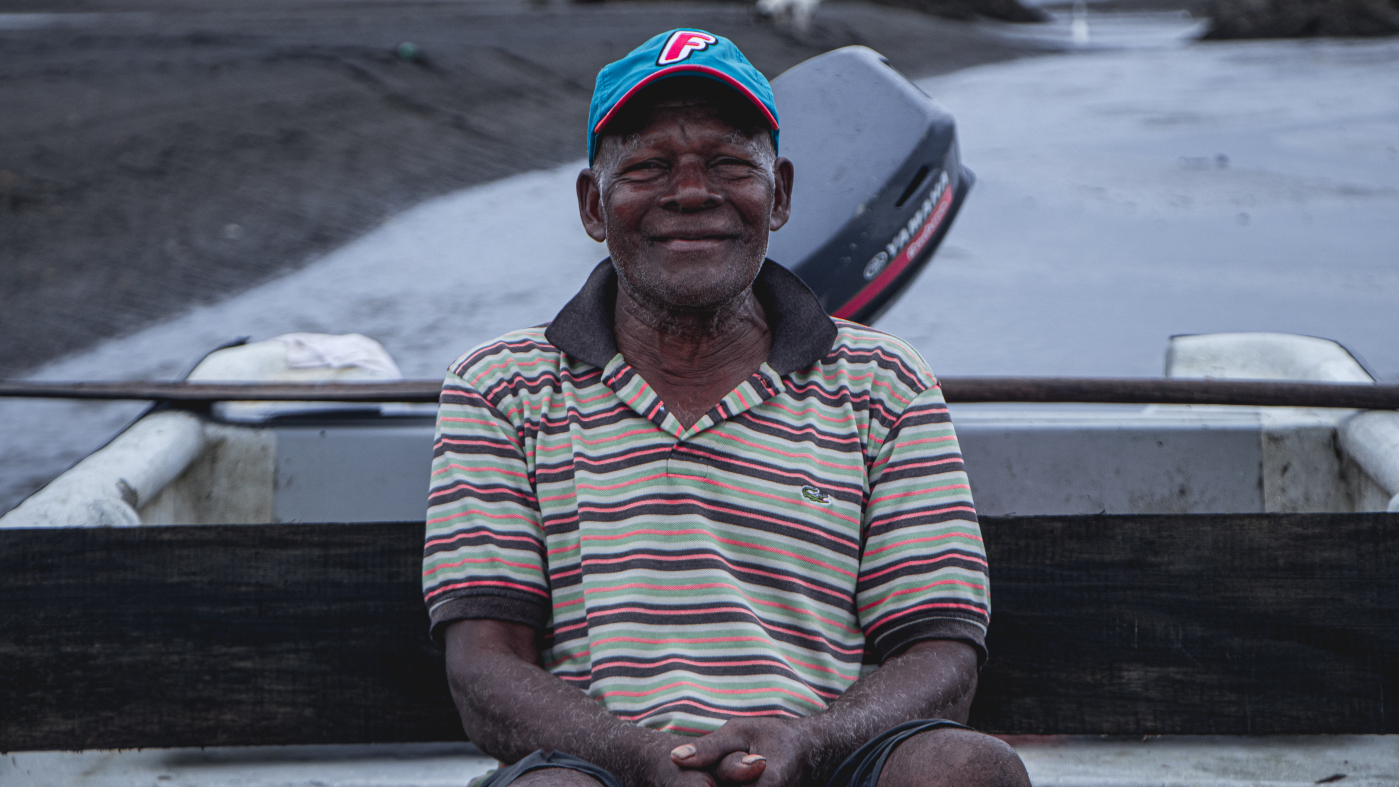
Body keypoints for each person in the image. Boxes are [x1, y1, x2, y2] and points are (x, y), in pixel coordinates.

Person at [422, 29, 1030, 787]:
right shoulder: (500, 387)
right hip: (605, 769)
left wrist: (805, 743)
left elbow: (940, 656)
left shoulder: (886, 382)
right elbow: (484, 666)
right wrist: (648, 758)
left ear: (778, 195)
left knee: (967, 770)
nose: (691, 193)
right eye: (647, 167)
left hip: (825, 762)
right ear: (592, 203)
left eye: (728, 164)